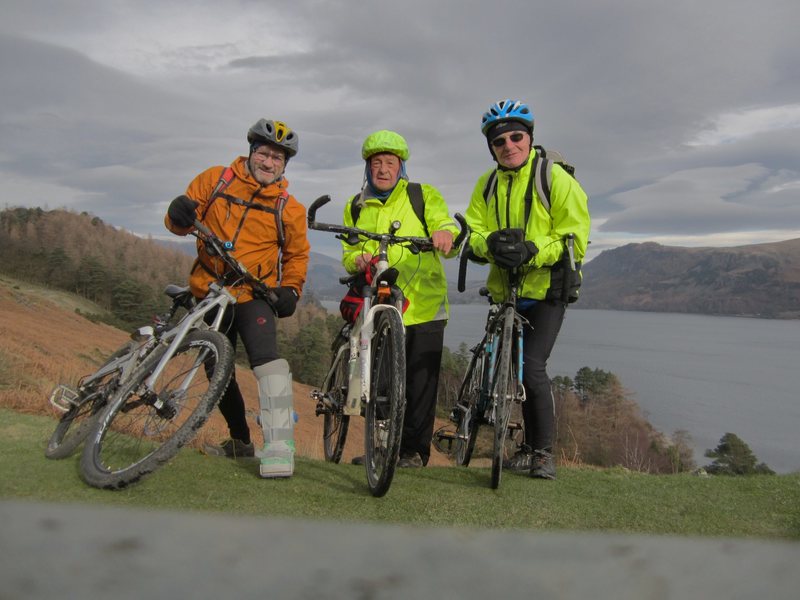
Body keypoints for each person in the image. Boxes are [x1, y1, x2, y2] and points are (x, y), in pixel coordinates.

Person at [164, 118, 310, 478]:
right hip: (210, 288)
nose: (269, 162)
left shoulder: (289, 208)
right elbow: (180, 221)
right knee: (217, 367)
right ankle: (241, 442)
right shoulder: (216, 179)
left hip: (252, 293)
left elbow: (297, 256)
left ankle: (278, 447)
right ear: (251, 152)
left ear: (284, 165)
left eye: (278, 158)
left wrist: (291, 290)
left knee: (267, 361)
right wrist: (176, 214)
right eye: (264, 153)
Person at [464, 100, 590, 479]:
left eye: (515, 136)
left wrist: (533, 250)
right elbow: (471, 232)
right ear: (492, 148)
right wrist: (491, 246)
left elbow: (575, 238)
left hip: (547, 290)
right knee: (510, 371)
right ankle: (519, 443)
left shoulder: (554, 178)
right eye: (499, 141)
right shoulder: (487, 184)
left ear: (529, 137)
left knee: (531, 368)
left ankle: (542, 454)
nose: (508, 145)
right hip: (506, 292)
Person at [343, 130, 460, 468]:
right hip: (380, 303)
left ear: (401, 167)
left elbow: (444, 225)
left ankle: (412, 452)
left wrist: (443, 234)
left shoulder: (422, 195)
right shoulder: (356, 205)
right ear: (368, 168)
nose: (382, 169)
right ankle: (381, 447)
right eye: (376, 163)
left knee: (421, 385)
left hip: (423, 305)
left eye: (389, 163)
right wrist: (359, 260)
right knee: (380, 382)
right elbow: (348, 251)